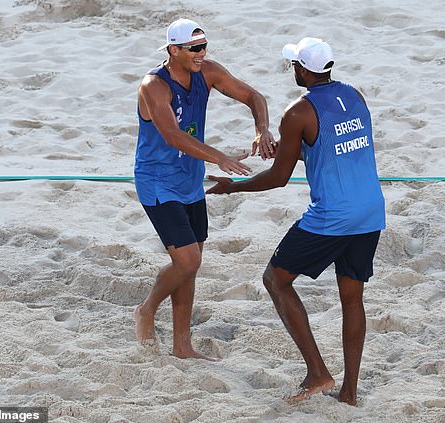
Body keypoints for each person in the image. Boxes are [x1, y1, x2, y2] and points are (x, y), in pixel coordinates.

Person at [206, 37, 385, 405]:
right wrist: (290, 148)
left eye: (294, 66)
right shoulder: (355, 96)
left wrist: (233, 188)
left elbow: (277, 178)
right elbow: (332, 150)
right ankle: (349, 392)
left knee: (276, 278)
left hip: (333, 216)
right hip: (370, 211)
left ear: (303, 69)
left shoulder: (298, 112)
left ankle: (318, 372)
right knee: (352, 299)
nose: (293, 71)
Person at [133, 18, 276, 360]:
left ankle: (182, 346)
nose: (202, 54)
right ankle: (146, 309)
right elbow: (172, 135)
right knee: (187, 261)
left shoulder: (207, 72)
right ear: (173, 50)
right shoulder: (154, 86)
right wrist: (220, 158)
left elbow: (253, 96)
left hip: (189, 179)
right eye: (194, 49)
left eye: (204, 46)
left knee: (191, 264)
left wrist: (262, 129)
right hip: (158, 182)